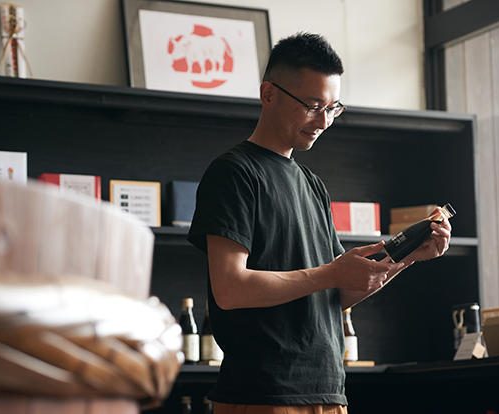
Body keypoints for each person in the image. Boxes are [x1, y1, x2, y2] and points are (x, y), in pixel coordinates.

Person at [187, 32, 451, 414]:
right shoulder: (234, 173)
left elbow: (338, 293)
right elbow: (230, 288)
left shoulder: (313, 185)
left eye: (334, 107)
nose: (324, 121)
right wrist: (330, 273)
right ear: (269, 94)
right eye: (313, 106)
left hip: (328, 392)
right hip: (263, 396)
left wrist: (409, 257)